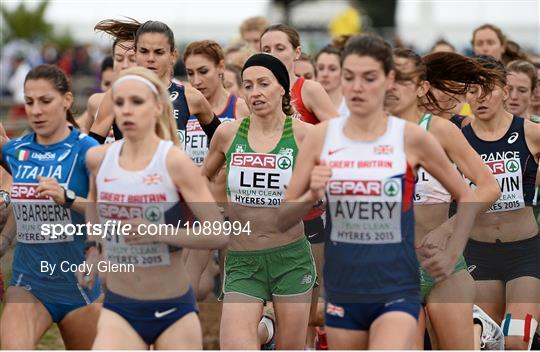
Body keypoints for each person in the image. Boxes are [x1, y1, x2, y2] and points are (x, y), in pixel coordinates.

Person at [278, 34, 481, 349]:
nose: (357, 87)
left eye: (368, 78)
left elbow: (469, 194)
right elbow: (283, 217)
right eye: (349, 78)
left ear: (387, 81)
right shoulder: (320, 138)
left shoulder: (415, 137)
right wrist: (310, 195)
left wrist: (453, 246)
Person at [85, 66, 228, 349]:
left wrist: (158, 232)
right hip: (119, 307)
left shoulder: (175, 162)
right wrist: (93, 249)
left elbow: (219, 234)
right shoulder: (98, 158)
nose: (126, 110)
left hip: (172, 310)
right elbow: (93, 202)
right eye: (119, 102)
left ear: (157, 107)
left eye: (137, 102)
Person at [385, 48, 502, 349]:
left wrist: (447, 228)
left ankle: (478, 329)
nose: (457, 101)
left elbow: (489, 187)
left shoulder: (441, 130)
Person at [201, 53, 315, 349]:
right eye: (248, 86)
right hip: (242, 261)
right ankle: (268, 329)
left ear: (282, 89)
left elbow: (328, 190)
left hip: (291, 260)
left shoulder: (306, 136)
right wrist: (214, 215)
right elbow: (202, 179)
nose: (255, 92)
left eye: (264, 84)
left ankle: (271, 331)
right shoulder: (228, 133)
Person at [0, 64, 101, 349]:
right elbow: (20, 200)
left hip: (79, 283)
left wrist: (67, 198)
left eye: (45, 101)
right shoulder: (14, 151)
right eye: (29, 102)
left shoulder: (88, 150)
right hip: (29, 282)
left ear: (66, 100)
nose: (36, 110)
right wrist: (4, 238)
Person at [464, 55, 540, 350]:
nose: (480, 98)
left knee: (516, 340)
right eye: (472, 91)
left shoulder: (530, 133)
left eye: (488, 89)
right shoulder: (459, 138)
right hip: (478, 255)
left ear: (505, 91)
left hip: (525, 252)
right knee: (491, 342)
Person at [89, 19, 219, 153]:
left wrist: (207, 172)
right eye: (144, 51)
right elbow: (89, 152)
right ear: (135, 53)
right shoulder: (116, 96)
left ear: (173, 56)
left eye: (159, 52)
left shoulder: (191, 97)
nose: (150, 58)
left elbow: (222, 141)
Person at [184, 40, 250, 166]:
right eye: (190, 73)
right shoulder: (181, 109)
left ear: (221, 67)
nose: (196, 81)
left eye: (203, 71)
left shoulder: (243, 109)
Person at [260, 24, 338, 124]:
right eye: (266, 50)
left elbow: (336, 130)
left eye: (280, 48)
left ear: (297, 52)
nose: (272, 55)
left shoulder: (310, 89)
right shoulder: (256, 91)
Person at [315, 45, 349, 119]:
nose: (325, 74)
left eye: (332, 69)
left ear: (343, 72)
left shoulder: (351, 107)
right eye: (321, 68)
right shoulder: (306, 105)